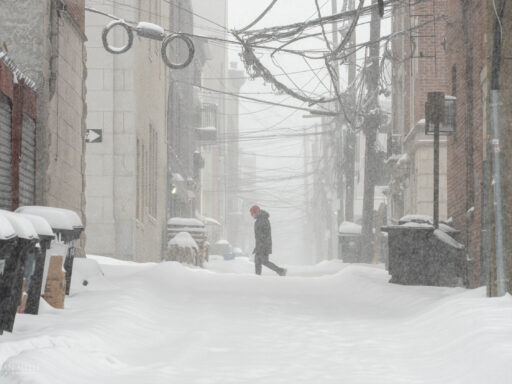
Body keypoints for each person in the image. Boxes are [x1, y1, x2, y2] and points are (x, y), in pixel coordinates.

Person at [250, 205, 286, 276]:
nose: (252, 215)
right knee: (258, 261)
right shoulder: (260, 220)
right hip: (261, 244)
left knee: (264, 261)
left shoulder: (262, 220)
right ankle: (257, 275)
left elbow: (263, 234)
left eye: (252, 213)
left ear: (255, 212)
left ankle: (280, 271)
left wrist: (261, 245)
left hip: (263, 245)